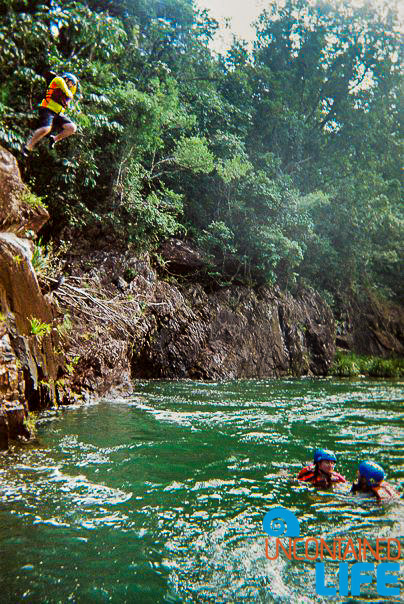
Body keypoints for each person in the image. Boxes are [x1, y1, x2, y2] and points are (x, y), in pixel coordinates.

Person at [22, 72, 78, 156]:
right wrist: (71, 91)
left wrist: (74, 84)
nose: (72, 86)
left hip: (57, 113)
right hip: (47, 109)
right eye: (71, 83)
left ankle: (54, 139)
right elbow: (69, 94)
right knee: (46, 129)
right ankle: (28, 146)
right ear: (66, 79)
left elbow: (70, 93)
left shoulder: (67, 87)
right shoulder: (58, 80)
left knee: (72, 128)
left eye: (73, 84)